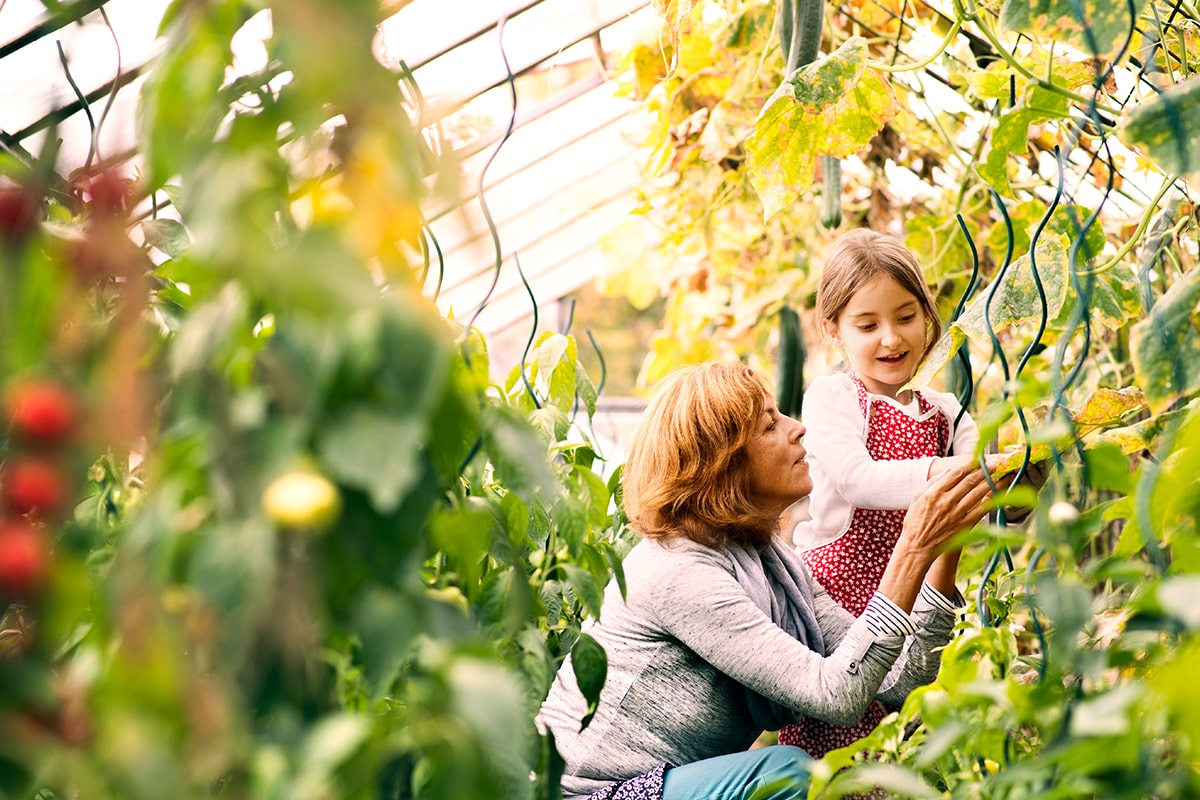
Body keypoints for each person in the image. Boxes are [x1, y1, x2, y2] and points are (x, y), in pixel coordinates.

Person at [536, 361, 998, 800]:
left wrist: (947, 542)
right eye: (769, 424)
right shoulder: (677, 570)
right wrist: (912, 549)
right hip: (589, 794)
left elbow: (897, 687)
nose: (797, 428)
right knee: (786, 775)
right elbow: (835, 695)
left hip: (664, 786)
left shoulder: (772, 563)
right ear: (722, 463)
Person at [778, 228, 997, 760]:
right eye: (867, 324)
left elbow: (987, 500)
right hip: (834, 599)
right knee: (840, 746)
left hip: (919, 595)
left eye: (905, 316)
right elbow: (859, 479)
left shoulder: (948, 411)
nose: (891, 339)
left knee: (901, 747)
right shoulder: (833, 397)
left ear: (928, 314)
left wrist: (1012, 480)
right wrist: (964, 473)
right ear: (832, 331)